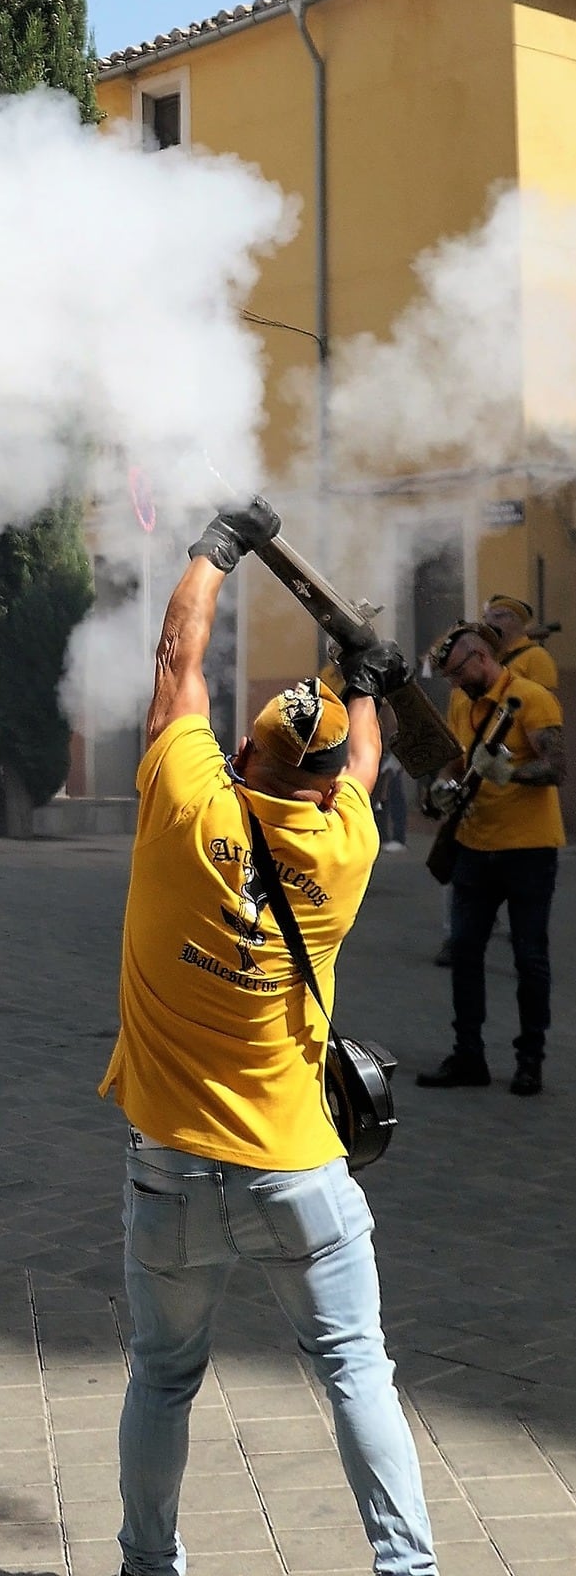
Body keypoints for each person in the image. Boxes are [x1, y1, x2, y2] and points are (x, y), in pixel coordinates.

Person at [99, 499, 437, 1576]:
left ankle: (149, 1564)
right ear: (330, 784)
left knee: (160, 1377)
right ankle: (409, 1567)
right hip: (296, 1166)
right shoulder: (345, 845)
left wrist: (215, 548)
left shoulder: (185, 799)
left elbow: (174, 659)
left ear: (240, 747)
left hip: (169, 1169)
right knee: (358, 1372)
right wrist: (365, 682)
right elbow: (367, 763)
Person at [416, 620, 564, 1097]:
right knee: (464, 952)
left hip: (528, 849)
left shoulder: (533, 698)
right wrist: (443, 784)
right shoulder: (463, 701)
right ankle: (468, 1056)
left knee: (530, 958)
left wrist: (509, 773)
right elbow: (459, 760)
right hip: (474, 846)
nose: (456, 685)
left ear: (482, 659)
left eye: (460, 673)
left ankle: (530, 1062)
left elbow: (556, 768)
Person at [480, 594, 559, 692]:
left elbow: (544, 699)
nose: (489, 622)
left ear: (515, 620)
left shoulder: (536, 656)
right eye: (486, 617)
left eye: (498, 616)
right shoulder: (490, 656)